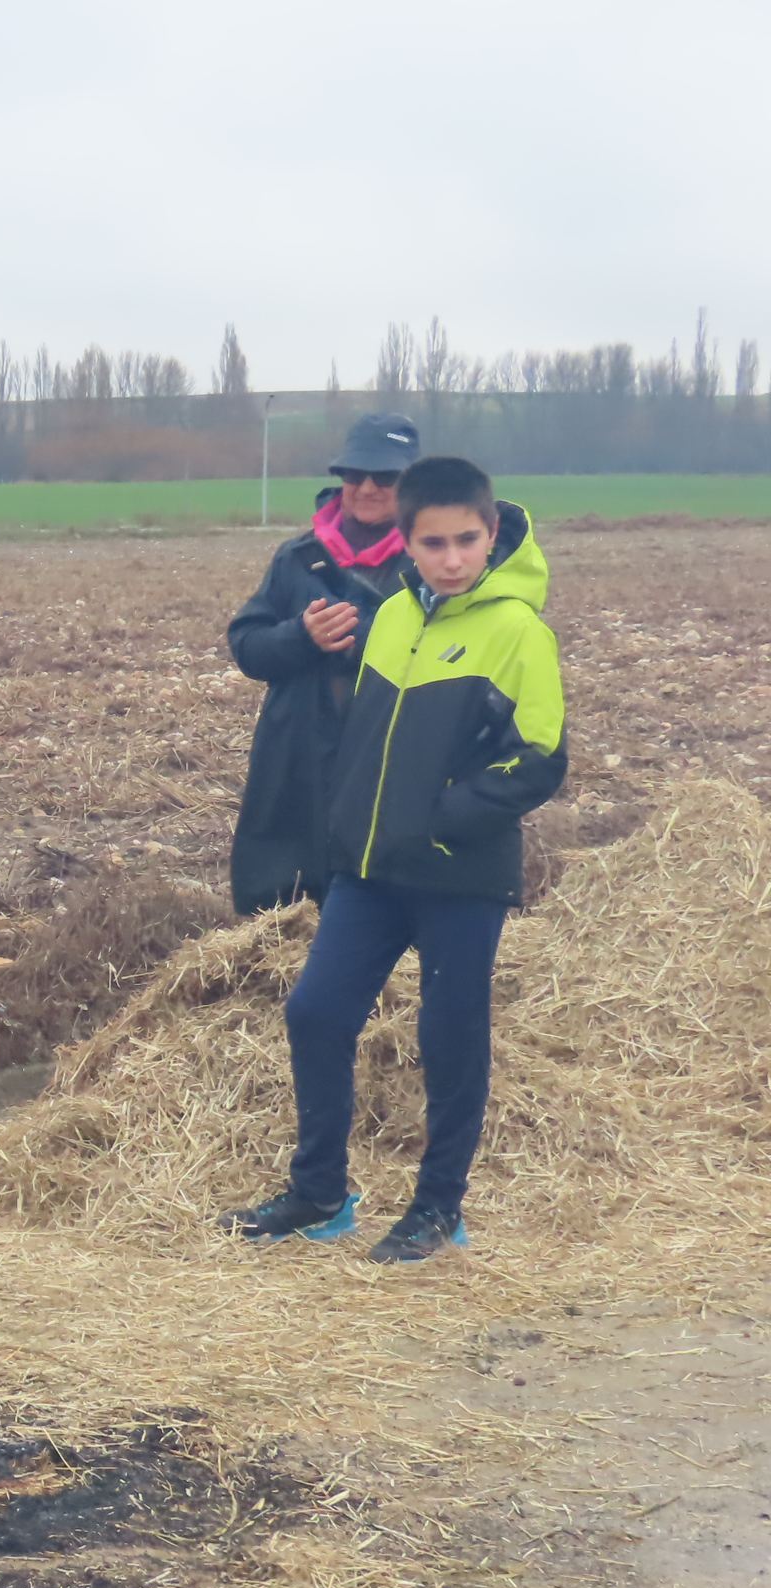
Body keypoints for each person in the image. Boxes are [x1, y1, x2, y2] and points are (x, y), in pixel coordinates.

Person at [222, 457, 565, 1264]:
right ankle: (320, 1195)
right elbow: (361, 739)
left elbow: (539, 759)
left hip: (458, 875)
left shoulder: (519, 631)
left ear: (491, 537)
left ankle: (439, 1208)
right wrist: (348, 824)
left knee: (448, 1035)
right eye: (434, 542)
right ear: (406, 543)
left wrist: (440, 818)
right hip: (370, 872)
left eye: (467, 541)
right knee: (316, 1012)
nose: (452, 557)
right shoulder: (393, 620)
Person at [226, 412, 420, 913]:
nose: (368, 487)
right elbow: (248, 645)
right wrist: (301, 636)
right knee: (275, 895)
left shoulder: (430, 565)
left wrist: (367, 640)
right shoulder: (297, 558)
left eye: (386, 477)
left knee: (369, 888)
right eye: (356, 475)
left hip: (385, 752)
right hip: (295, 751)